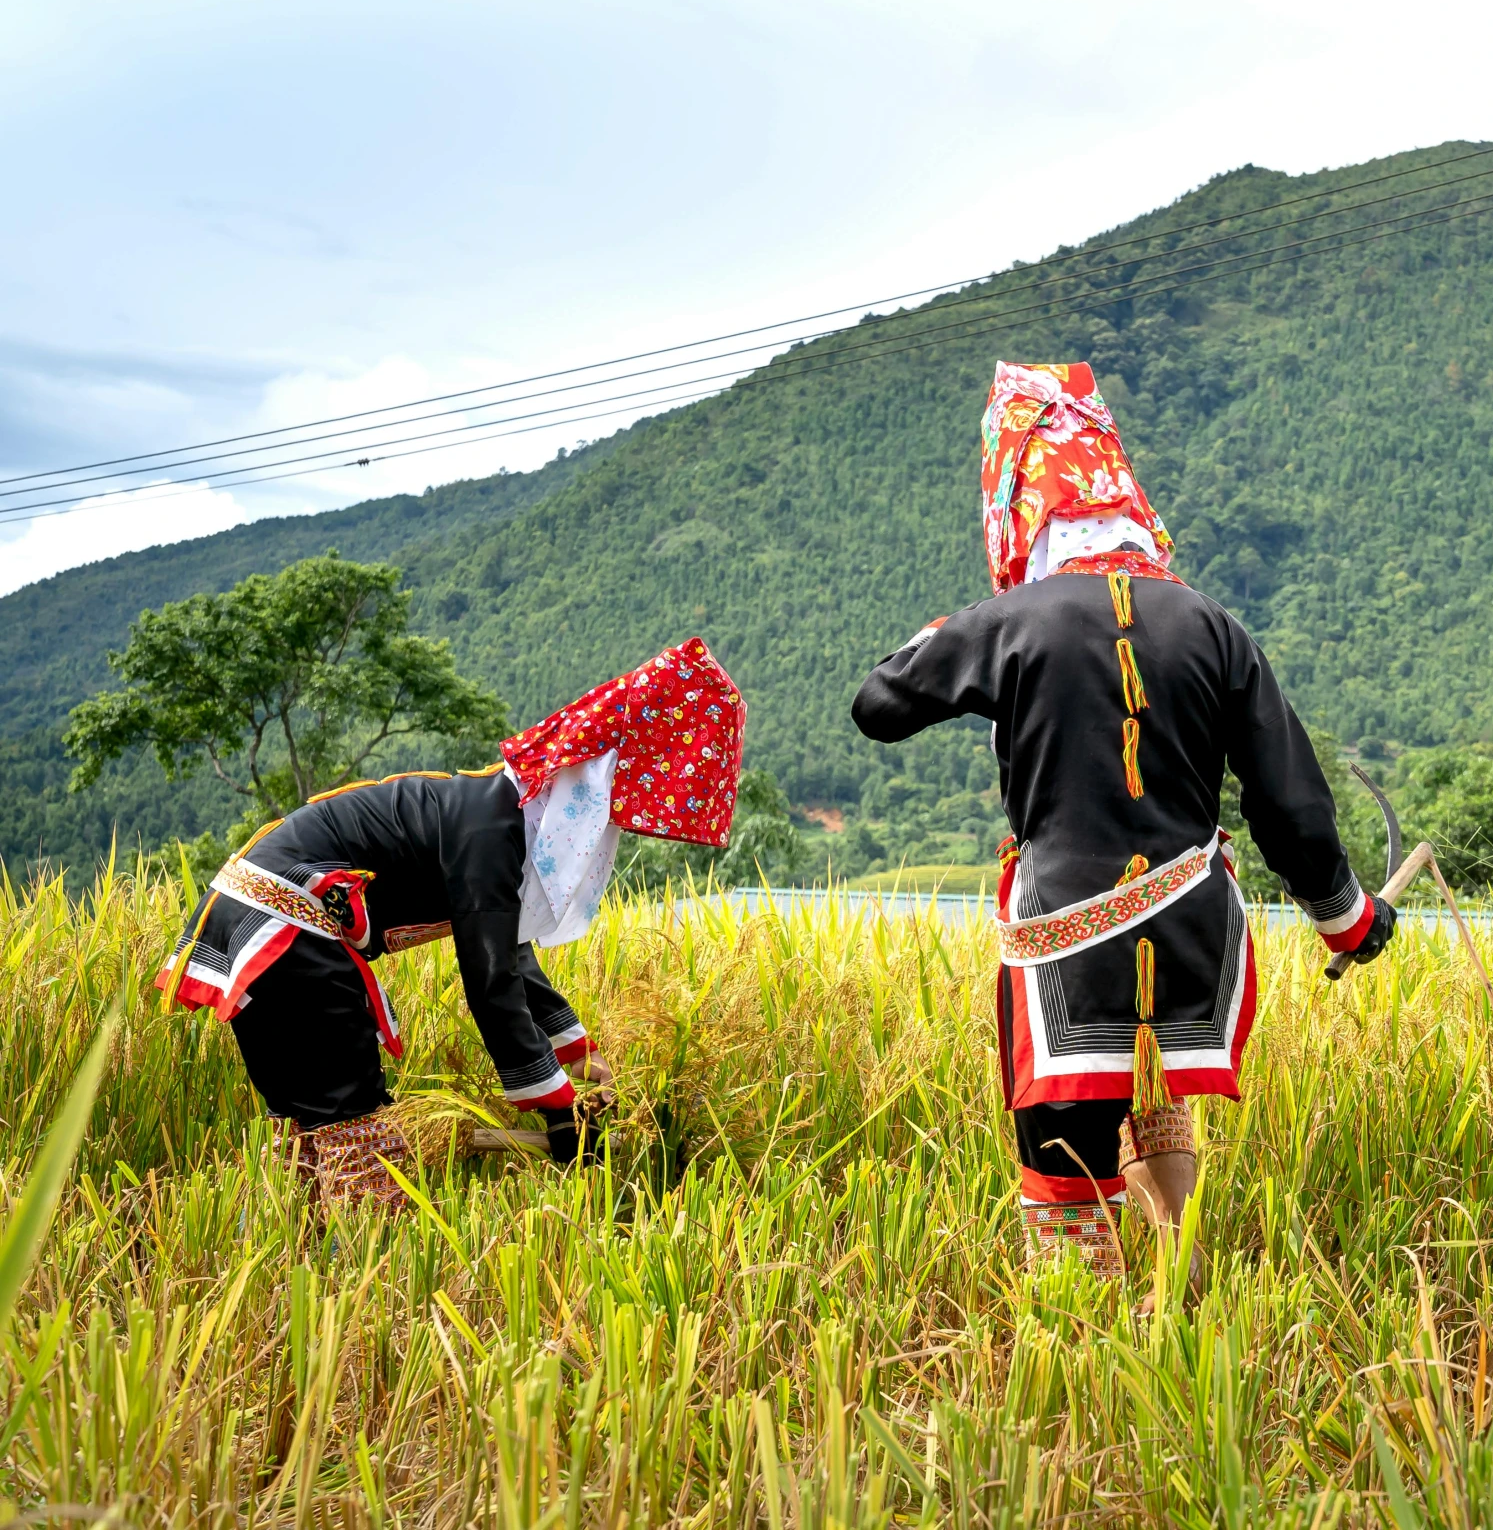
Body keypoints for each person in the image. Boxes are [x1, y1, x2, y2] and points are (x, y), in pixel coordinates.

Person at [852, 360, 1397, 1283]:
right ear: (1127, 499)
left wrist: (968, 626)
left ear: (1018, 506)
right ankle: (1173, 1284)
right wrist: (1350, 917)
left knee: (1067, 1158)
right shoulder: (1213, 624)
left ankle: (1090, 1345)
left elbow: (878, 703)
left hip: (1067, 933)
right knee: (1152, 1092)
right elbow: (1289, 800)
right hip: (1193, 929)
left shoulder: (1011, 619)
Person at [157, 637, 746, 1207]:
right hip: (282, 926)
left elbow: (510, 953)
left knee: (312, 1119)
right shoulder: (491, 833)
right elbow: (489, 983)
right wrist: (558, 1109)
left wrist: (577, 1053)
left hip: (248, 917)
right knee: (350, 1111)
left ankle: (310, 1257)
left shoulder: (494, 813)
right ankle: (365, 1263)